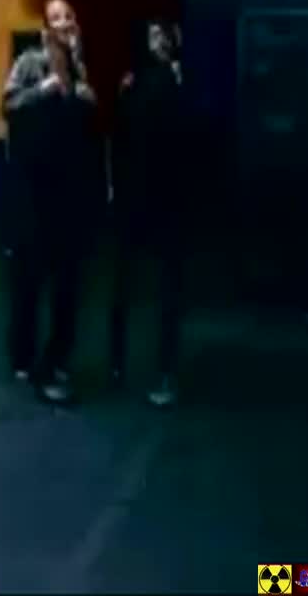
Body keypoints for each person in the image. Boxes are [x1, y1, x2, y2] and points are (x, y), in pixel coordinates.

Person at [2, 0, 105, 405]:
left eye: (69, 17)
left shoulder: (80, 69)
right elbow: (9, 104)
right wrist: (42, 90)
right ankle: (23, 355)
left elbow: (88, 117)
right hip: (34, 190)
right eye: (56, 19)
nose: (64, 24)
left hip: (69, 192)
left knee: (68, 283)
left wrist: (80, 87)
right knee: (29, 279)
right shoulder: (30, 63)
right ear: (46, 29)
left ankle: (56, 358)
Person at [110, 20, 188, 408]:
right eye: (153, 35)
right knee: (134, 283)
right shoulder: (142, 84)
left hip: (160, 198)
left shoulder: (164, 83)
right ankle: (125, 365)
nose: (159, 42)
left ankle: (147, 369)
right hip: (146, 196)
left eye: (164, 36)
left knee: (156, 286)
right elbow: (122, 138)